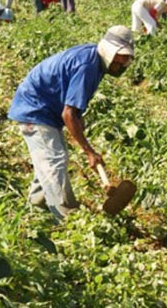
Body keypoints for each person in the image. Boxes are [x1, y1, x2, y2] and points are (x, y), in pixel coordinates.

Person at [8, 25, 135, 221]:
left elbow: (72, 107)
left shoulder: (94, 59)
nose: (124, 63)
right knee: (54, 160)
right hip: (35, 109)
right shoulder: (88, 67)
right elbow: (68, 114)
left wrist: (78, 118)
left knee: (50, 159)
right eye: (122, 57)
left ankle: (36, 207)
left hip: (46, 109)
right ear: (111, 52)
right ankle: (68, 218)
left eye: (127, 58)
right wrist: (89, 151)